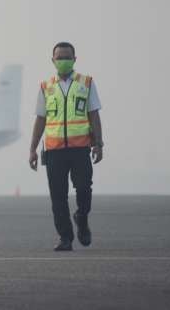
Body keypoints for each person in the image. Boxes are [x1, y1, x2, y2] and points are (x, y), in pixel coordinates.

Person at [29, 42, 104, 251]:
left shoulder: (86, 83)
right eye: (59, 57)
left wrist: (98, 144)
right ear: (53, 60)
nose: (63, 61)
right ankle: (65, 238)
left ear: (74, 59)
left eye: (67, 57)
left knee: (83, 189)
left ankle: (81, 216)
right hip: (54, 151)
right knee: (58, 197)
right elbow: (40, 120)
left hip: (80, 149)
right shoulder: (46, 87)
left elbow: (94, 115)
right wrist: (32, 149)